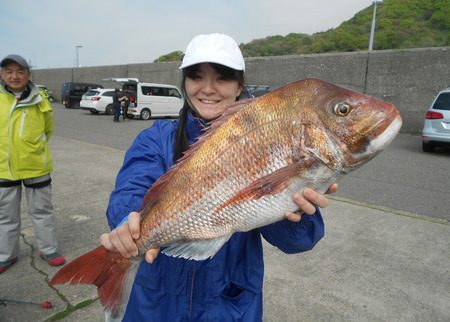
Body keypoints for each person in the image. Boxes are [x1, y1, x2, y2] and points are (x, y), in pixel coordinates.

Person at [100, 34, 337, 321]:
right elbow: (131, 189)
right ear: (185, 83)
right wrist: (129, 222)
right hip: (157, 302)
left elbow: (299, 242)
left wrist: (296, 211)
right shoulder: (157, 138)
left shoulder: (269, 138)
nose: (208, 89)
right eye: (196, 77)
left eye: (222, 78)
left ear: (239, 86)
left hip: (228, 305)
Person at [0, 54, 65, 274]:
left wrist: (32, 149)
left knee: (42, 212)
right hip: (4, 169)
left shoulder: (41, 100)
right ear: (2, 74)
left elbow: (48, 130)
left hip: (36, 167)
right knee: (6, 215)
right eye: (9, 71)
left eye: (20, 71)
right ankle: (6, 255)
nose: (14, 76)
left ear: (29, 75)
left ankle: (48, 249)